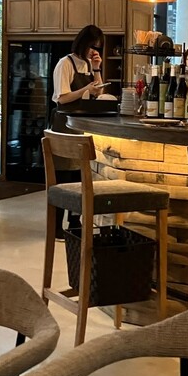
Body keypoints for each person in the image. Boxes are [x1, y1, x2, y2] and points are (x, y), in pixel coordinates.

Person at [50, 25, 104, 237]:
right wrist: (85, 89)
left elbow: (98, 93)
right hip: (64, 124)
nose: (93, 51)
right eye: (91, 46)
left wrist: (97, 69)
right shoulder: (65, 63)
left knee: (80, 177)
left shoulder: (90, 64)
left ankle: (74, 223)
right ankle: (56, 226)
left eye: (97, 47)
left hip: (81, 125)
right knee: (63, 177)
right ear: (82, 43)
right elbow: (62, 98)